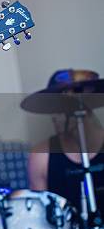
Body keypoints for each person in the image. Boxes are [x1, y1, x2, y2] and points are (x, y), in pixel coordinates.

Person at [27, 69, 104, 213]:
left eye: (62, 107)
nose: (55, 117)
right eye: (52, 108)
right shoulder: (40, 157)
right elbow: (41, 219)